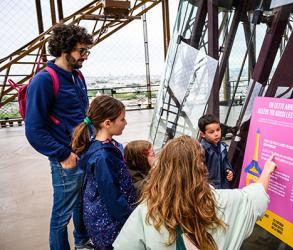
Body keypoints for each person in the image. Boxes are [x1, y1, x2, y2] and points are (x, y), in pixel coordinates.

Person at [113, 135, 277, 250]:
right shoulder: (223, 201)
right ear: (201, 167)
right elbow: (256, 196)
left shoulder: (147, 210)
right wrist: (267, 171)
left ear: (162, 168)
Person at [24, 24, 93, 250]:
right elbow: (34, 129)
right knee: (62, 215)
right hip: (66, 158)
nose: (85, 56)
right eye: (81, 51)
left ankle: (82, 242)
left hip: (84, 152)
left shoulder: (77, 75)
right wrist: (64, 155)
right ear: (65, 49)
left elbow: (81, 114)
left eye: (86, 51)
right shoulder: (44, 81)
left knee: (81, 203)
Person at [72, 95, 137, 249]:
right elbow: (112, 197)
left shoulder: (98, 145)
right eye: (122, 119)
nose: (125, 123)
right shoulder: (104, 156)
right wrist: (132, 220)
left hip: (104, 218)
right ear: (107, 123)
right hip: (109, 224)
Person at [198, 114, 234, 189]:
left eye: (218, 130)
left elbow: (226, 162)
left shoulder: (222, 146)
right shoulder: (201, 150)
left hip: (223, 187)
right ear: (203, 134)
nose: (216, 134)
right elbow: (198, 174)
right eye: (211, 132)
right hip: (210, 190)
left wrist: (229, 170)